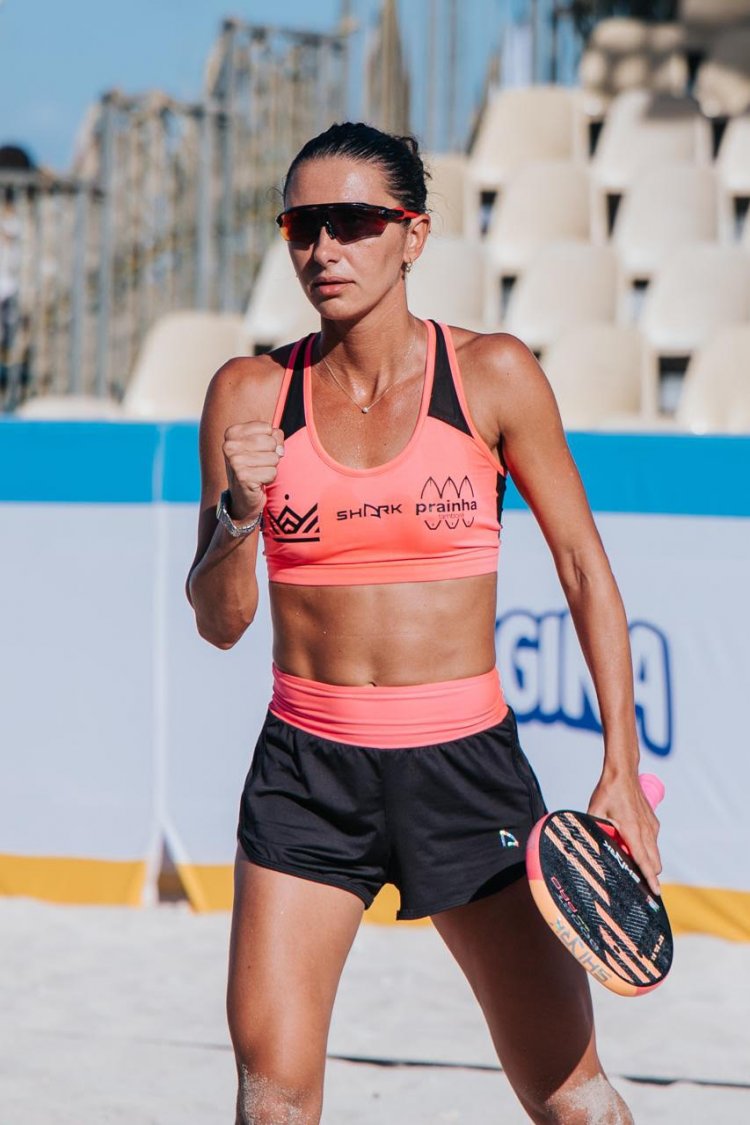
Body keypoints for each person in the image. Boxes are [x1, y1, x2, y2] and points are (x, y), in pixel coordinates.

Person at [187, 122, 661, 1125]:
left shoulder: (491, 375)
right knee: (271, 1099)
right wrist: (238, 514)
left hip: (467, 771)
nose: (325, 250)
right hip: (307, 776)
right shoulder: (249, 394)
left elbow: (583, 566)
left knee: (574, 1101)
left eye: (354, 223)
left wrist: (622, 766)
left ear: (414, 235)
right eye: (303, 226)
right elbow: (222, 623)